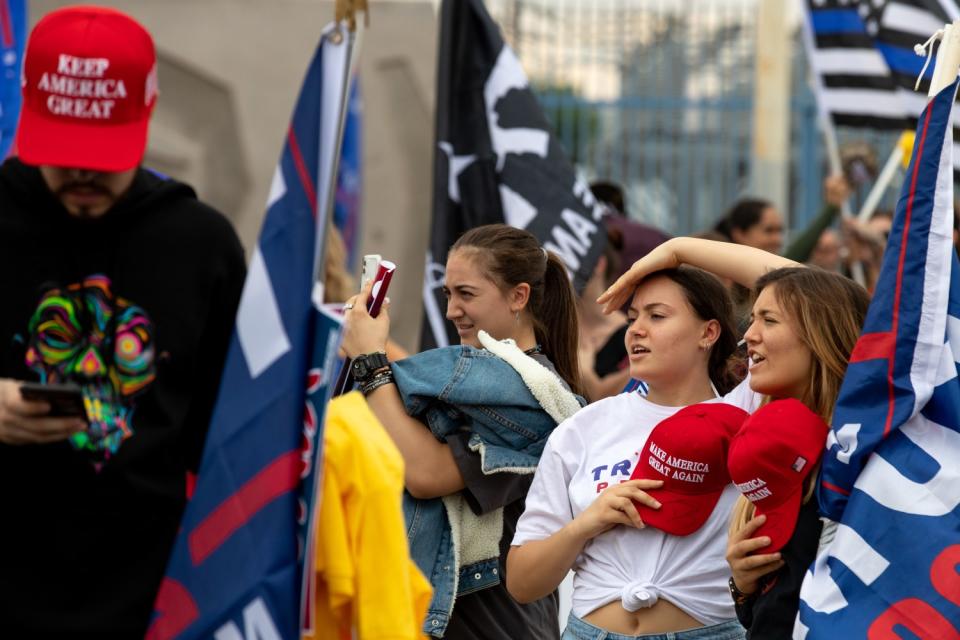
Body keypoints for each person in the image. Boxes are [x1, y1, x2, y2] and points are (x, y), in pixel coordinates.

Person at [0, 7, 246, 636]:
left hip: (153, 597)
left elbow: (230, 436)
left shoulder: (202, 247)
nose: (83, 173)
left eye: (101, 154)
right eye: (65, 152)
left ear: (148, 111)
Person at [598, 237, 869, 639]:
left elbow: (818, 288)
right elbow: (773, 609)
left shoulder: (864, 440)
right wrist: (742, 587)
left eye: (769, 321)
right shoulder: (758, 430)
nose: (747, 337)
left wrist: (679, 249)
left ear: (819, 330)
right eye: (751, 320)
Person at [340, 223, 584, 639]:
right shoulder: (469, 379)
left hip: (498, 623)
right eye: (448, 294)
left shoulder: (538, 395)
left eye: (466, 294)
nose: (452, 310)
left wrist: (370, 363)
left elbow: (425, 475)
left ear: (518, 297)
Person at [508, 264, 759, 639]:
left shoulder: (746, 414)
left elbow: (808, 292)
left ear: (708, 332)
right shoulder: (585, 426)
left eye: (657, 316)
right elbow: (522, 583)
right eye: (632, 317)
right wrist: (587, 524)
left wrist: (678, 251)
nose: (637, 329)